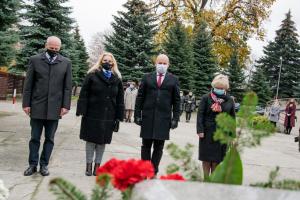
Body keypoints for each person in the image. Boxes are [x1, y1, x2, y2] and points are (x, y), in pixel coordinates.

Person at [22, 36, 72, 176]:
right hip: (37, 106)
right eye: (51, 48)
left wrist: (65, 106)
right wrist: (26, 104)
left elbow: (67, 87)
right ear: (46, 46)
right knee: (35, 138)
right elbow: (28, 85)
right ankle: (32, 165)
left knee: (50, 139)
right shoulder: (35, 60)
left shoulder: (66, 63)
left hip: (55, 109)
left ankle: (44, 165)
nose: (54, 50)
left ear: (60, 48)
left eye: (56, 49)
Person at [76, 52, 124, 176]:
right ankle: (88, 165)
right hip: (92, 113)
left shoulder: (117, 78)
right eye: (105, 60)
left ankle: (98, 166)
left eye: (110, 61)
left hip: (109, 115)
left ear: (113, 63)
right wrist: (82, 110)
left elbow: (120, 99)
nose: (107, 63)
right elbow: (84, 94)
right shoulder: (92, 75)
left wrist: (119, 117)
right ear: (101, 61)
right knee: (90, 140)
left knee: (102, 142)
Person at [134, 54, 180, 175]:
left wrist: (176, 118)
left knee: (159, 147)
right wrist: (137, 115)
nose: (162, 65)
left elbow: (176, 101)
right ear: (155, 64)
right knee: (146, 145)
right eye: (160, 63)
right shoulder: (147, 77)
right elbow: (140, 97)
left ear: (168, 65)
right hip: (148, 117)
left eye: (164, 63)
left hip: (164, 119)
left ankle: (154, 169)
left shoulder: (173, 79)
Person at [197, 74, 235, 177]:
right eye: (217, 87)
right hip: (207, 132)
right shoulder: (206, 97)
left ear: (225, 88)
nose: (218, 89)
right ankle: (206, 178)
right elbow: (200, 114)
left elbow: (232, 118)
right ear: (213, 86)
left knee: (217, 159)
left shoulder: (230, 100)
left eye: (221, 88)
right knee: (206, 158)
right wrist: (200, 130)